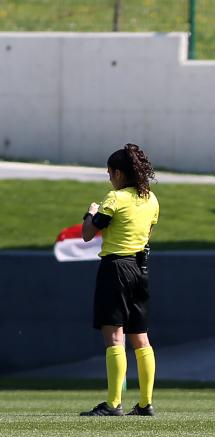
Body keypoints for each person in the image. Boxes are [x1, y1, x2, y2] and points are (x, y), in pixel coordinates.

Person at [79, 144, 159, 416]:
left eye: (110, 172)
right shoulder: (151, 199)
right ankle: (146, 403)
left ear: (119, 173)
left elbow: (88, 234)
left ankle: (114, 403)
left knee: (114, 337)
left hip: (116, 267)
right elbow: (148, 233)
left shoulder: (114, 198)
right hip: (141, 268)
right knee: (141, 338)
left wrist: (89, 212)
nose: (109, 177)